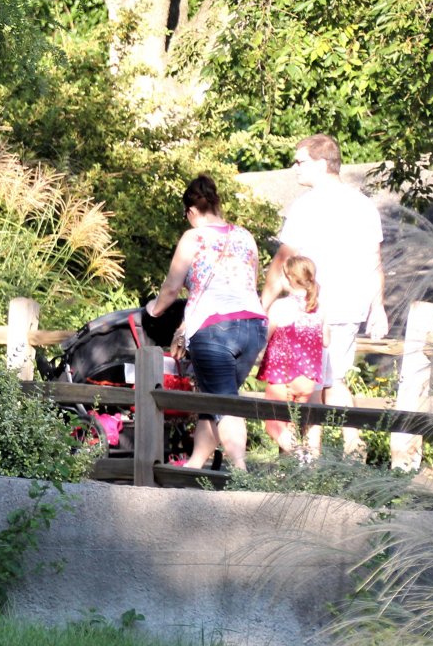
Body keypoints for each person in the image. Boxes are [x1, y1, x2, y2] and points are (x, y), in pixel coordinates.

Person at [263, 134, 387, 460]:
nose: (295, 168)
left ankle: (311, 456)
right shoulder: (362, 203)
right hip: (349, 306)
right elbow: (375, 261)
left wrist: (262, 307)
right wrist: (377, 308)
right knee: (331, 379)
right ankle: (350, 451)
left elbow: (282, 261)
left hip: (312, 307)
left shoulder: (307, 205)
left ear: (321, 163)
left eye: (300, 161)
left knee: (313, 381)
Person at [145, 174, 267, 470]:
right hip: (253, 326)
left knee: (224, 402)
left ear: (191, 211)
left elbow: (171, 289)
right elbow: (252, 281)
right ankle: (195, 465)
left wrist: (152, 311)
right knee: (215, 398)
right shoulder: (244, 236)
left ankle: (241, 473)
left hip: (215, 331)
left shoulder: (193, 238)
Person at [257, 256, 325, 458]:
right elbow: (327, 339)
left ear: (289, 278)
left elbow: (264, 336)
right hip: (308, 379)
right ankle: (291, 472)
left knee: (274, 425)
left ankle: (299, 457)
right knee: (293, 426)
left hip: (282, 375)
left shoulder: (281, 306)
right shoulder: (318, 307)